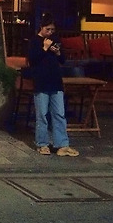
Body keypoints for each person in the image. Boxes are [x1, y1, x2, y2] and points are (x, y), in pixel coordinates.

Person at [26, 12, 79, 156]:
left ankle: (62, 144)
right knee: (42, 114)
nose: (50, 32)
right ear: (41, 27)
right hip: (41, 82)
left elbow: (62, 60)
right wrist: (44, 48)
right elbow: (33, 60)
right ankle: (42, 143)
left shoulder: (55, 40)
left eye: (52, 30)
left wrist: (58, 52)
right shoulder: (34, 41)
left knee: (59, 113)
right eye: (47, 29)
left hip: (55, 81)